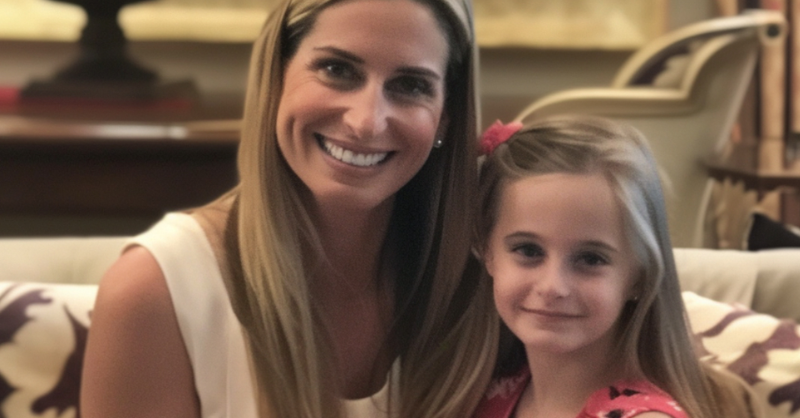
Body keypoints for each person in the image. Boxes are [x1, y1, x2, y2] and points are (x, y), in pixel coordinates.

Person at [80, 0, 498, 417]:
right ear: (275, 77)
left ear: (445, 117)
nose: (367, 122)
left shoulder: (494, 285)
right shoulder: (156, 291)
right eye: (337, 70)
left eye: (411, 86)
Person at [470, 115, 759, 418]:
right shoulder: (488, 392)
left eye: (590, 259)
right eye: (528, 250)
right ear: (486, 250)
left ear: (640, 276)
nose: (552, 286)